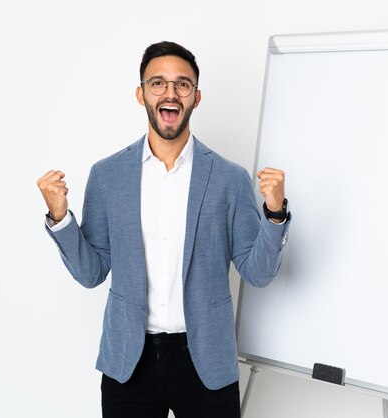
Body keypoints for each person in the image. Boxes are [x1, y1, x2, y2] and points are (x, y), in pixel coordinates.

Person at [36, 41, 291, 418]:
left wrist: (274, 213)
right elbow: (92, 273)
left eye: (182, 85)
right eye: (158, 83)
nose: (170, 93)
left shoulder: (228, 178)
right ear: (141, 94)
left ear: (196, 97)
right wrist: (60, 218)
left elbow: (257, 273)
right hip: (129, 361)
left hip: (205, 362)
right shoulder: (107, 176)